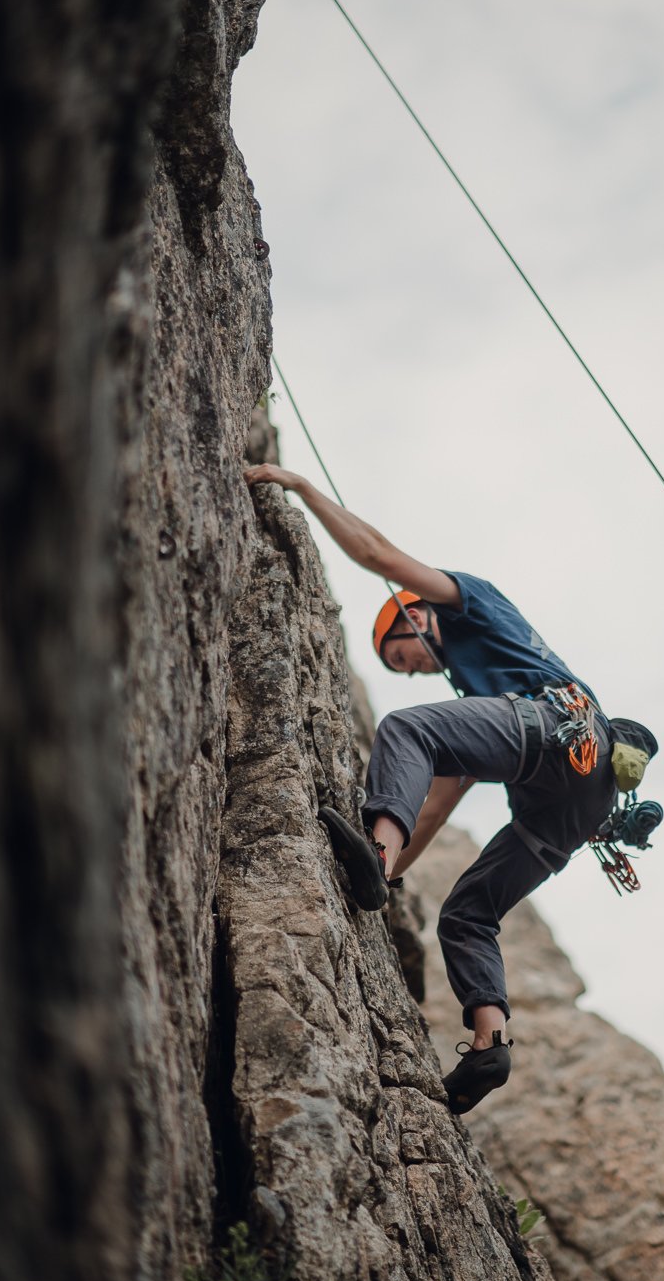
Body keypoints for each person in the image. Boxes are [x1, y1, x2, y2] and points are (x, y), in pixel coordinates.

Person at [244, 463, 626, 1113]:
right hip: (577, 797)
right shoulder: (483, 696)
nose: (414, 671)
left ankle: (376, 848)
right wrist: (384, 879)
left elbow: (376, 554)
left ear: (412, 615)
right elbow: (440, 801)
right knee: (467, 914)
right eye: (402, 668)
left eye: (403, 655)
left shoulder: (468, 599)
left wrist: (302, 488)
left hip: (553, 727)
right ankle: (489, 1042)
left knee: (404, 729)